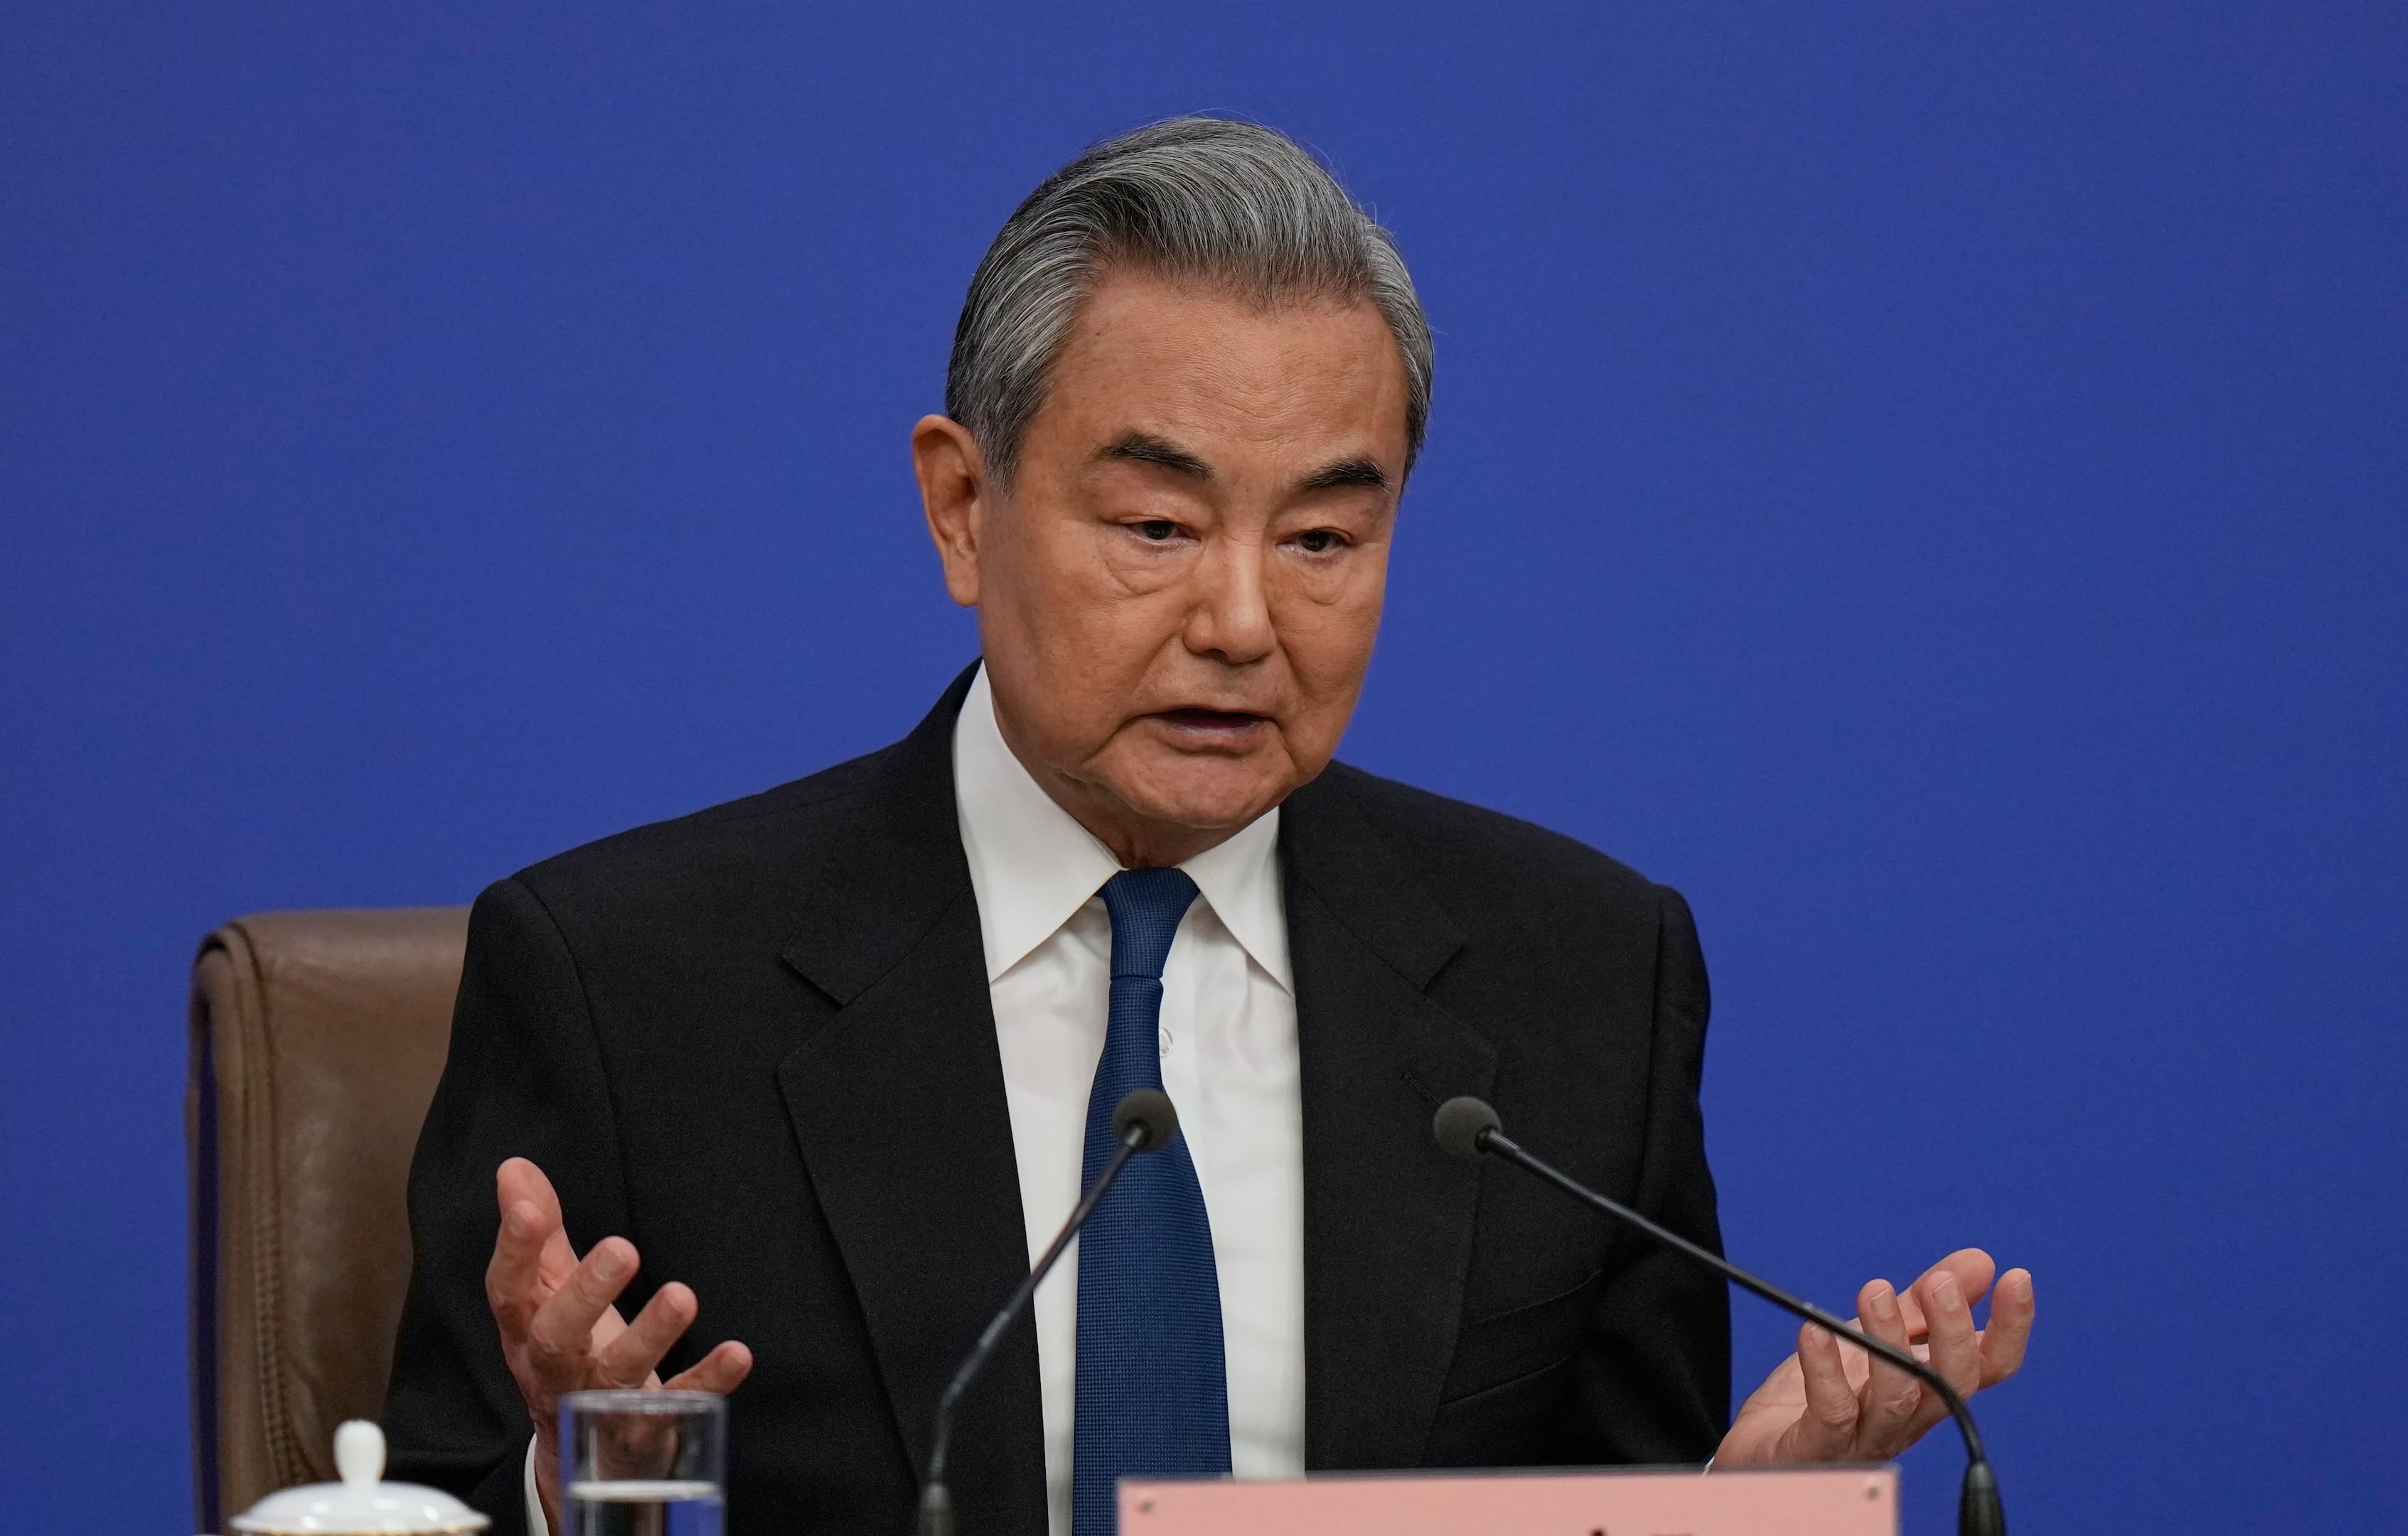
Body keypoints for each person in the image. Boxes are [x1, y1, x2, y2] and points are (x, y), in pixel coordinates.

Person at [384, 116, 2035, 1536]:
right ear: (964, 508)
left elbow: (1611, 1485)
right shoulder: (625, 985)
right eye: (1160, 524)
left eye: (1322, 538)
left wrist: (1735, 1506)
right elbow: (426, 1499)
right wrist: (573, 1477)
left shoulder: (1585, 981)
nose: (1244, 621)